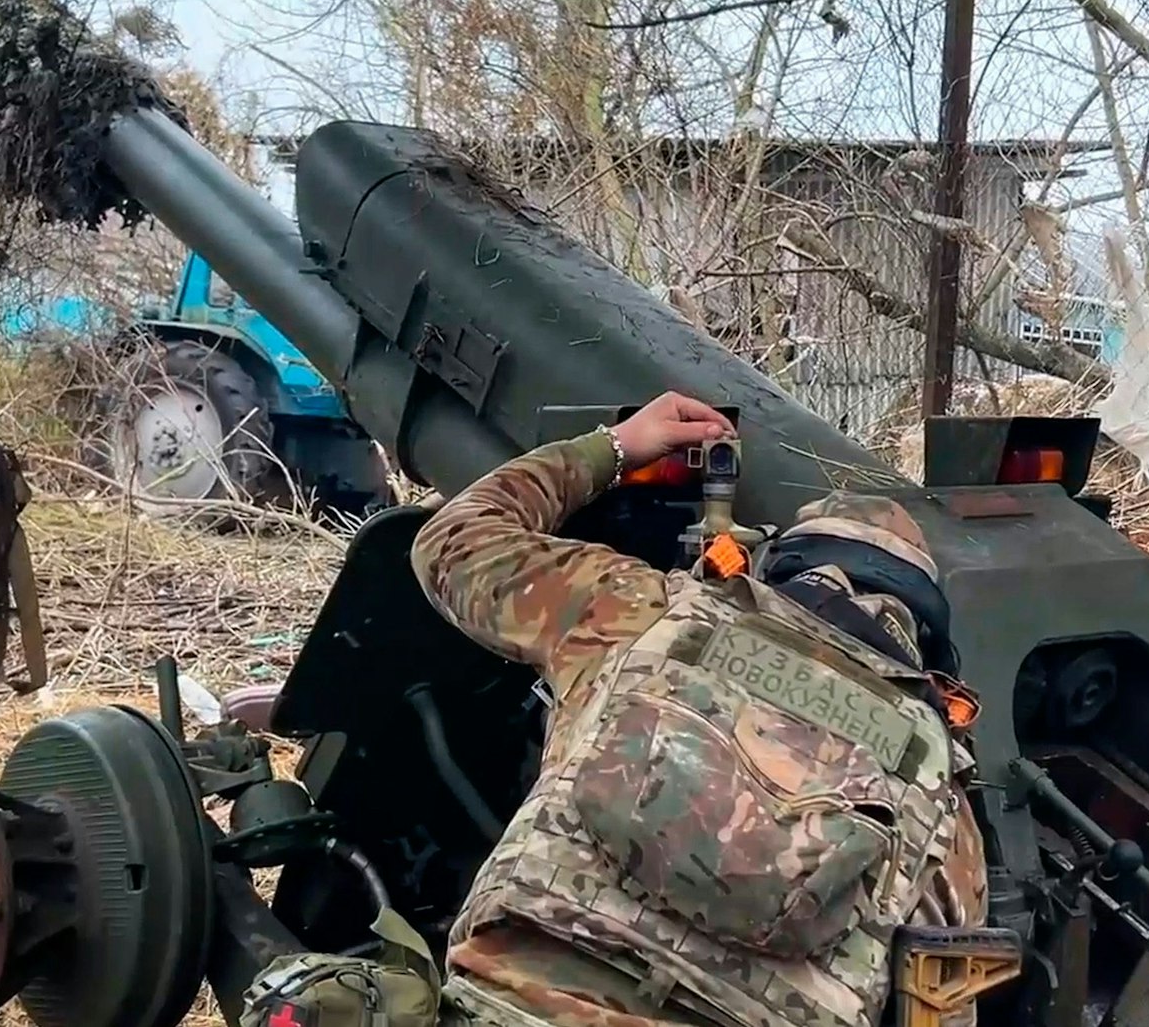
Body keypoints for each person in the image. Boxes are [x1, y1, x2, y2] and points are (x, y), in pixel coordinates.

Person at [409, 391, 992, 1027]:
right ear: (921, 631)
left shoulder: (642, 613)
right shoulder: (939, 794)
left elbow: (453, 540)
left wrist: (615, 448)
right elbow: (940, 1007)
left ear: (780, 567)